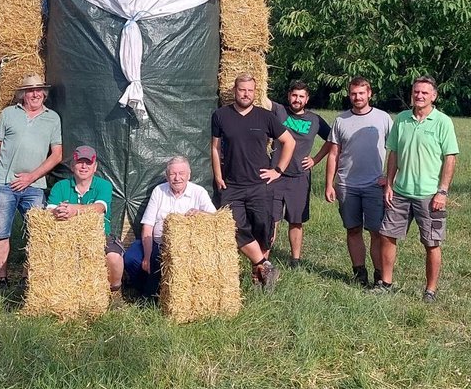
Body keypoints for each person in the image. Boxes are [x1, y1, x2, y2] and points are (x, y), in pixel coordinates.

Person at [211, 74, 295, 291]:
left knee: (263, 229)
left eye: (250, 90)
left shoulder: (265, 117)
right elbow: (215, 148)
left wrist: (278, 170)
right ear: (235, 90)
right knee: (234, 227)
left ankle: (259, 279)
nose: (246, 94)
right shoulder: (221, 115)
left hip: (260, 185)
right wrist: (218, 175)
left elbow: (289, 141)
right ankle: (266, 266)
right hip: (232, 185)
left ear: (255, 92)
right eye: (242, 90)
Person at [380, 76, 459, 302]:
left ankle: (430, 290)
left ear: (434, 96)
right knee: (387, 235)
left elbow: (450, 158)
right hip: (400, 192)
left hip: (429, 195)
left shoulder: (443, 122)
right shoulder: (402, 119)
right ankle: (386, 283)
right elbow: (393, 153)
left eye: (425, 92)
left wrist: (442, 191)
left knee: (431, 243)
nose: (419, 96)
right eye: (416, 92)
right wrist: (389, 183)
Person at [0, 73, 63, 292]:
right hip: (4, 182)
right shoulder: (8, 114)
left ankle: (29, 276)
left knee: (37, 231)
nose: (35, 94)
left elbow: (57, 155)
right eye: (30, 91)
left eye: (38, 90)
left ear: (44, 94)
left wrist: (32, 176)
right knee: (0, 231)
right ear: (23, 94)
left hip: (34, 186)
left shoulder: (53, 118)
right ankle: (2, 278)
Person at [323, 76, 393, 289]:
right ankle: (359, 273)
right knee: (353, 230)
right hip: (347, 185)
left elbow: (395, 151)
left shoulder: (383, 118)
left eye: (361, 93)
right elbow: (333, 154)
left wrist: (390, 179)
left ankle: (379, 275)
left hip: (374, 185)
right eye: (353, 93)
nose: (357, 97)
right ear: (349, 94)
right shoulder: (341, 120)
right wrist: (329, 184)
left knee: (377, 232)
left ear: (369, 93)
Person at [124, 156, 216, 297]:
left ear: (189, 175)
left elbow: (216, 217)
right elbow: (148, 225)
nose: (177, 178)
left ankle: (156, 294)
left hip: (186, 248)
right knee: (131, 258)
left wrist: (201, 213)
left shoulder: (199, 192)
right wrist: (147, 256)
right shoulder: (159, 191)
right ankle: (144, 288)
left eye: (181, 173)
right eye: (173, 174)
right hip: (158, 243)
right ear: (167, 176)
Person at [271, 81, 333, 268]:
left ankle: (295, 260)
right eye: (294, 95)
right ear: (288, 95)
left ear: (307, 99)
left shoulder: (315, 120)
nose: (297, 99)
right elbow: (262, 100)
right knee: (271, 218)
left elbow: (333, 139)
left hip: (299, 176)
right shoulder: (279, 111)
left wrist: (315, 159)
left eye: (301, 96)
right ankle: (265, 257)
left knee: (296, 220)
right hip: (275, 174)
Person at [44, 145, 119, 299]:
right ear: (72, 166)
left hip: (99, 236)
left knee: (114, 258)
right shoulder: (60, 186)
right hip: (64, 237)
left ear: (95, 167)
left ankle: (115, 290)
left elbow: (99, 208)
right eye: (80, 162)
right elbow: (49, 210)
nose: (84, 166)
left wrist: (74, 210)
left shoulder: (104, 185)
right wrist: (58, 211)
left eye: (88, 163)